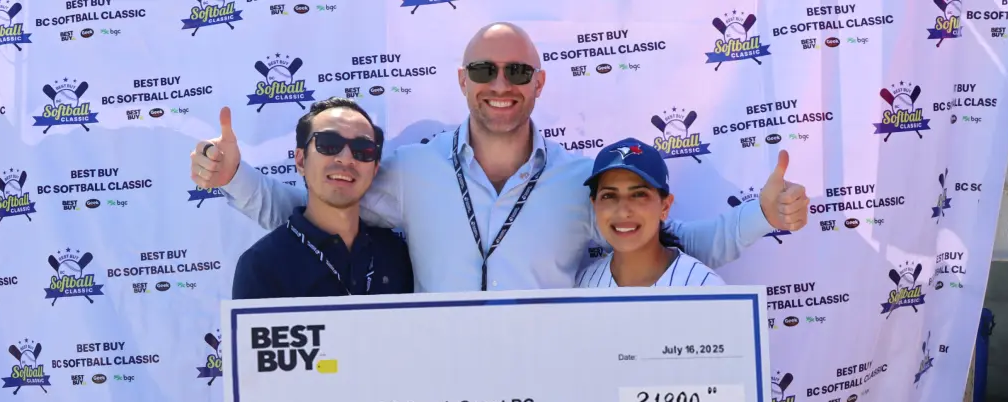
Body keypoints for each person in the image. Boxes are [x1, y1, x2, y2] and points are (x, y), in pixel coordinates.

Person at [192, 22, 810, 293]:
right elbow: (313, 208)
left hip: (547, 393)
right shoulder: (411, 169)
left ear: (540, 83)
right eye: (485, 70)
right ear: (463, 80)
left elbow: (671, 242)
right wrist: (235, 179)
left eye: (518, 71)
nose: (501, 83)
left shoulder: (579, 181)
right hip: (436, 396)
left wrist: (761, 214)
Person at [228, 97, 414, 299]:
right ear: (300, 161)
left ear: (375, 169)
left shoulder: (397, 254)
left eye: (363, 149)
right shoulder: (262, 265)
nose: (345, 157)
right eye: (328, 143)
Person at [576, 138, 723, 287]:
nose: (623, 211)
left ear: (665, 206)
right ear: (594, 205)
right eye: (609, 196)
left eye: (639, 195)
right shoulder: (586, 283)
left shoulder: (702, 285)